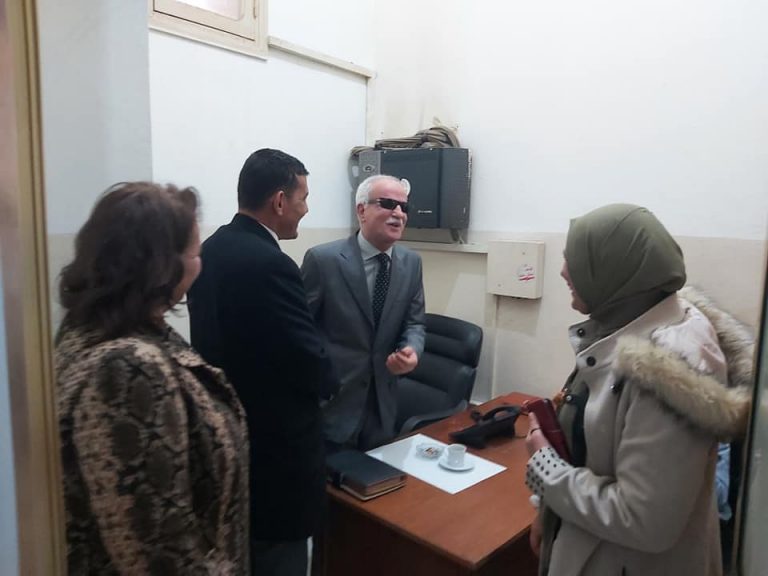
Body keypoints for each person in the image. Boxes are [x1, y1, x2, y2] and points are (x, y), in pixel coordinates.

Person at [524, 204, 753, 576]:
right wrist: (549, 514)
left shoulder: (667, 367)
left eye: (577, 259)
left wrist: (544, 467)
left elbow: (644, 519)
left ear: (615, 266)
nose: (564, 270)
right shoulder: (629, 323)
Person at [56, 182, 249, 575]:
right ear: (164, 266)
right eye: (195, 251)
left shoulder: (96, 328)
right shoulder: (126, 368)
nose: (200, 261)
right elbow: (158, 551)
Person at [188, 149, 338, 576]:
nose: (305, 209)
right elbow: (306, 357)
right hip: (277, 454)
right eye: (303, 198)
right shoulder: (272, 264)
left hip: (228, 439)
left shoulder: (210, 250)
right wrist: (331, 377)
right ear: (279, 201)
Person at [301, 174, 426, 450]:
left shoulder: (411, 263)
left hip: (382, 406)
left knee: (378, 476)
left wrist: (412, 350)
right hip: (331, 404)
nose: (398, 213)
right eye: (388, 204)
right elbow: (301, 331)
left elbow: (415, 323)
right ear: (361, 210)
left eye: (404, 207)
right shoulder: (323, 260)